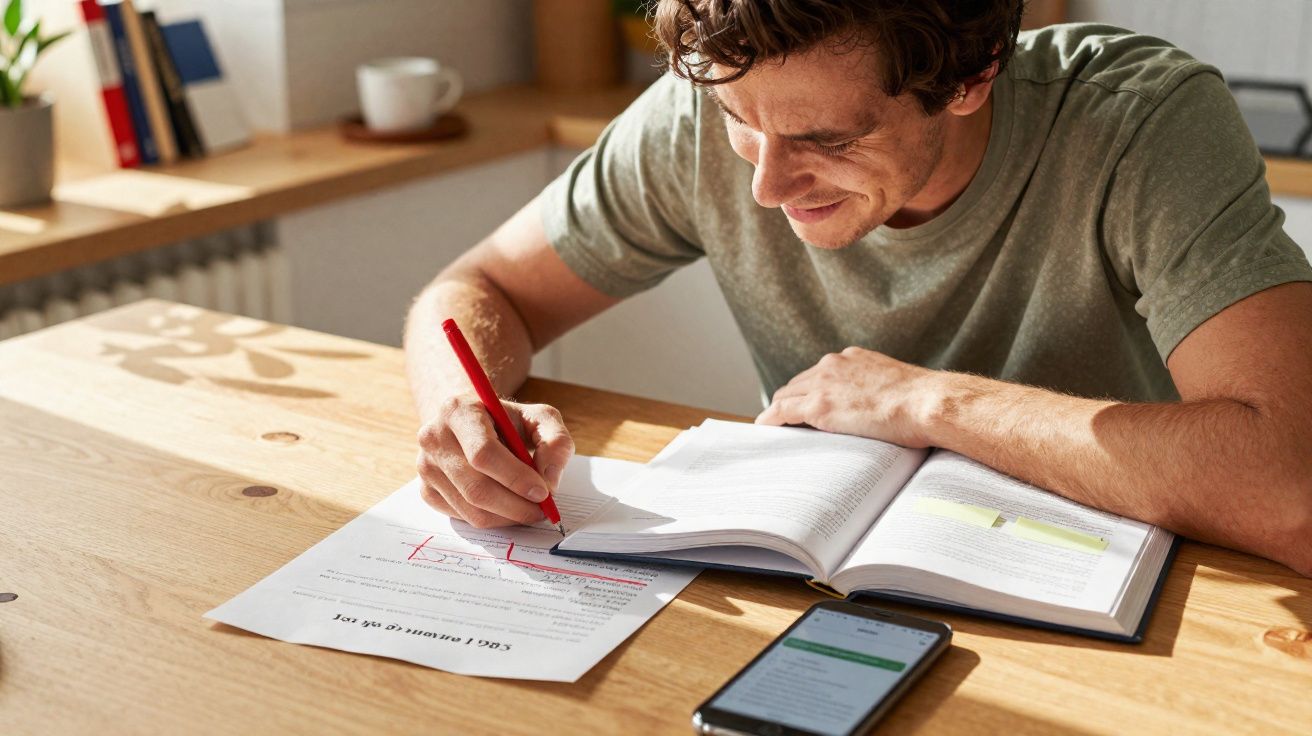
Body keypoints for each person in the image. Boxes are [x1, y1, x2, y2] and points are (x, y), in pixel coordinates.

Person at [403, 0, 1312, 576]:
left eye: (829, 140)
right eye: (738, 122)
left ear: (970, 76)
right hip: (810, 579)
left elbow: (1288, 480)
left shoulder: (1139, 123)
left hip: (1132, 595)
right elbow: (481, 286)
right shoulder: (712, 104)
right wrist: (462, 411)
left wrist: (922, 399)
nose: (767, 185)